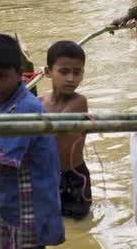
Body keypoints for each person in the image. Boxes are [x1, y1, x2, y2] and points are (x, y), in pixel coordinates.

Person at [0, 34, 64, 249]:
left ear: (19, 74)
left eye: (2, 76)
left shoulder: (24, 109)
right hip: (10, 207)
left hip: (28, 216)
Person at [40, 41, 92, 220]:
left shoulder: (79, 102)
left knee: (79, 227)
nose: (71, 78)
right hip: (47, 177)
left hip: (74, 177)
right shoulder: (38, 102)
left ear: (82, 74)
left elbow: (55, 128)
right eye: (64, 72)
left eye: (77, 72)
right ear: (48, 72)